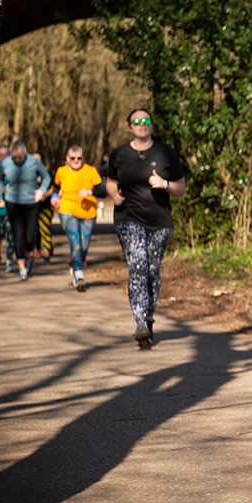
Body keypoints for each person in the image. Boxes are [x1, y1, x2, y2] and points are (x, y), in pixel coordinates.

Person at [106, 109, 187, 347]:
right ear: (130, 127)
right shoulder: (119, 153)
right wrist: (114, 195)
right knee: (137, 264)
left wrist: (165, 184)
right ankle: (140, 322)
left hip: (160, 221)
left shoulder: (165, 152)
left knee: (152, 270)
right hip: (128, 217)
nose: (142, 124)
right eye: (136, 121)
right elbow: (110, 183)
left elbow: (181, 188)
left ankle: (149, 316)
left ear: (151, 125)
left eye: (146, 120)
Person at [0, 140, 51, 281]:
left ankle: (29, 255)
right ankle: (22, 268)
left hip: (31, 203)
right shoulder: (5, 163)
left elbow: (46, 177)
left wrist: (41, 191)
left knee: (30, 237)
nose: (17, 160)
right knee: (17, 235)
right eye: (14, 158)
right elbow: (0, 180)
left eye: (19, 157)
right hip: (13, 203)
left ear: (25, 153)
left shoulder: (34, 162)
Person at [51, 145, 103, 292]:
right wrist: (54, 197)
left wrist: (89, 191)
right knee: (75, 242)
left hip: (88, 213)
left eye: (79, 158)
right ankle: (79, 276)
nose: (75, 161)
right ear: (67, 159)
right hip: (67, 211)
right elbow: (55, 186)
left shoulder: (90, 171)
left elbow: (103, 190)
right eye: (72, 158)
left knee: (84, 245)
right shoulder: (61, 172)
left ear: (83, 159)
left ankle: (76, 266)